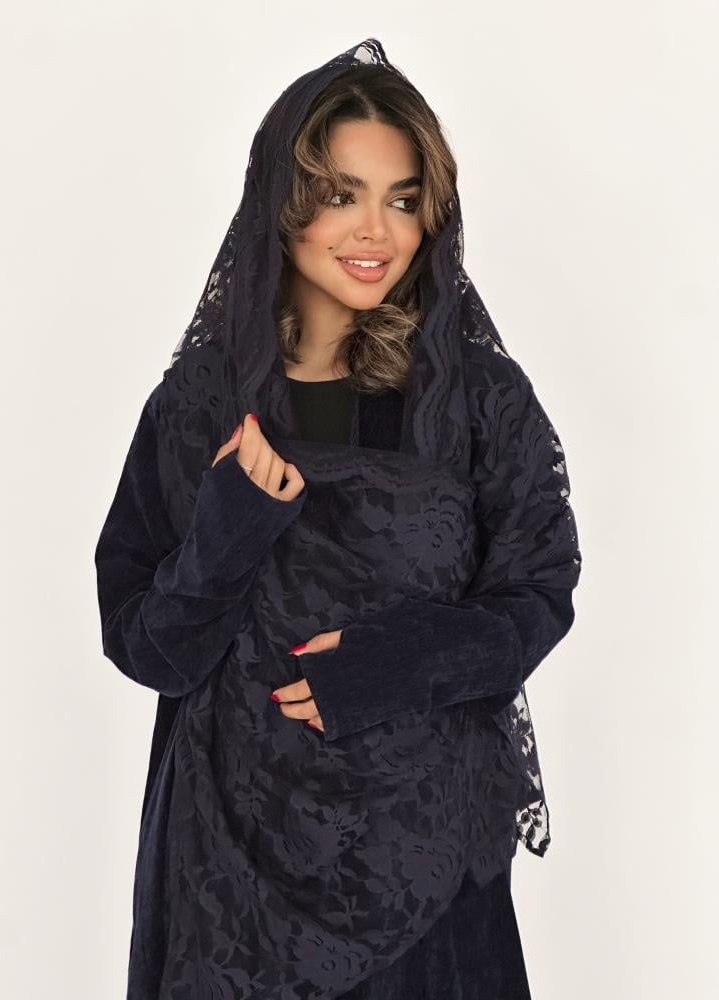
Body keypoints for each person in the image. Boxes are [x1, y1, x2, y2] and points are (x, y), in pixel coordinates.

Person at [94, 38, 581, 999]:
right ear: (282, 203)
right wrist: (231, 529)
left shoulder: (476, 399)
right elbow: (148, 646)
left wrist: (400, 661)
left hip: (428, 876)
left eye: (403, 199)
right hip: (228, 878)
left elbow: (538, 593)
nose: (376, 230)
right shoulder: (201, 404)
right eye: (339, 194)